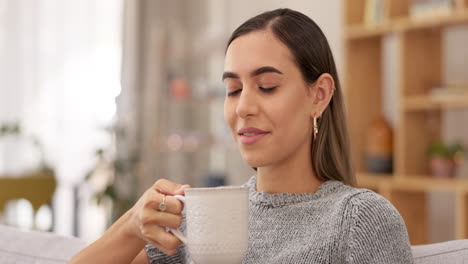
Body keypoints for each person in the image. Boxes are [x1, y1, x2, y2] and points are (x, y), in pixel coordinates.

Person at [70, 8, 414, 264]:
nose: (243, 107)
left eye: (267, 86)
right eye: (233, 90)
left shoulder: (360, 219)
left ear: (319, 95)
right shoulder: (200, 219)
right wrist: (132, 224)